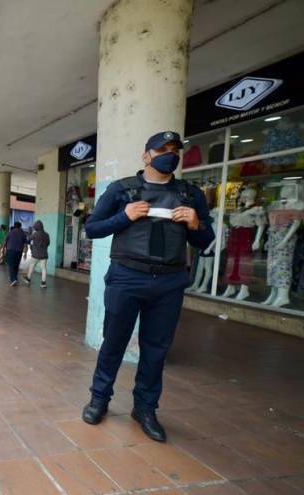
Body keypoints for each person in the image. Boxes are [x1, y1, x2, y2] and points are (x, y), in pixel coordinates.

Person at [81, 131, 214, 442]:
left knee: (156, 350)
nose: (170, 154)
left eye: (175, 149)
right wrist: (124, 216)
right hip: (127, 276)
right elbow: (92, 229)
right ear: (146, 156)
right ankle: (99, 398)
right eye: (162, 149)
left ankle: (145, 408)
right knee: (113, 343)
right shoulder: (122, 190)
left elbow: (205, 240)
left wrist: (196, 223)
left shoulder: (190, 195)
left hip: (169, 281)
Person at [24, 220, 51, 288]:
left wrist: (30, 233)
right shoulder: (47, 234)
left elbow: (28, 239)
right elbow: (48, 243)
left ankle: (28, 279)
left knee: (32, 266)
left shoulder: (35, 234)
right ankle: (43, 283)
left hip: (36, 254)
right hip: (44, 254)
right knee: (44, 268)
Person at [4, 221, 28, 286]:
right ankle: (15, 278)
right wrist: (25, 253)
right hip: (19, 251)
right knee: (16, 265)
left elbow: (5, 241)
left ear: (14, 226)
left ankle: (14, 279)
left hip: (10, 250)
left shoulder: (10, 232)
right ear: (20, 226)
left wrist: (3, 250)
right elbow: (25, 244)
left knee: (11, 265)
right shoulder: (23, 233)